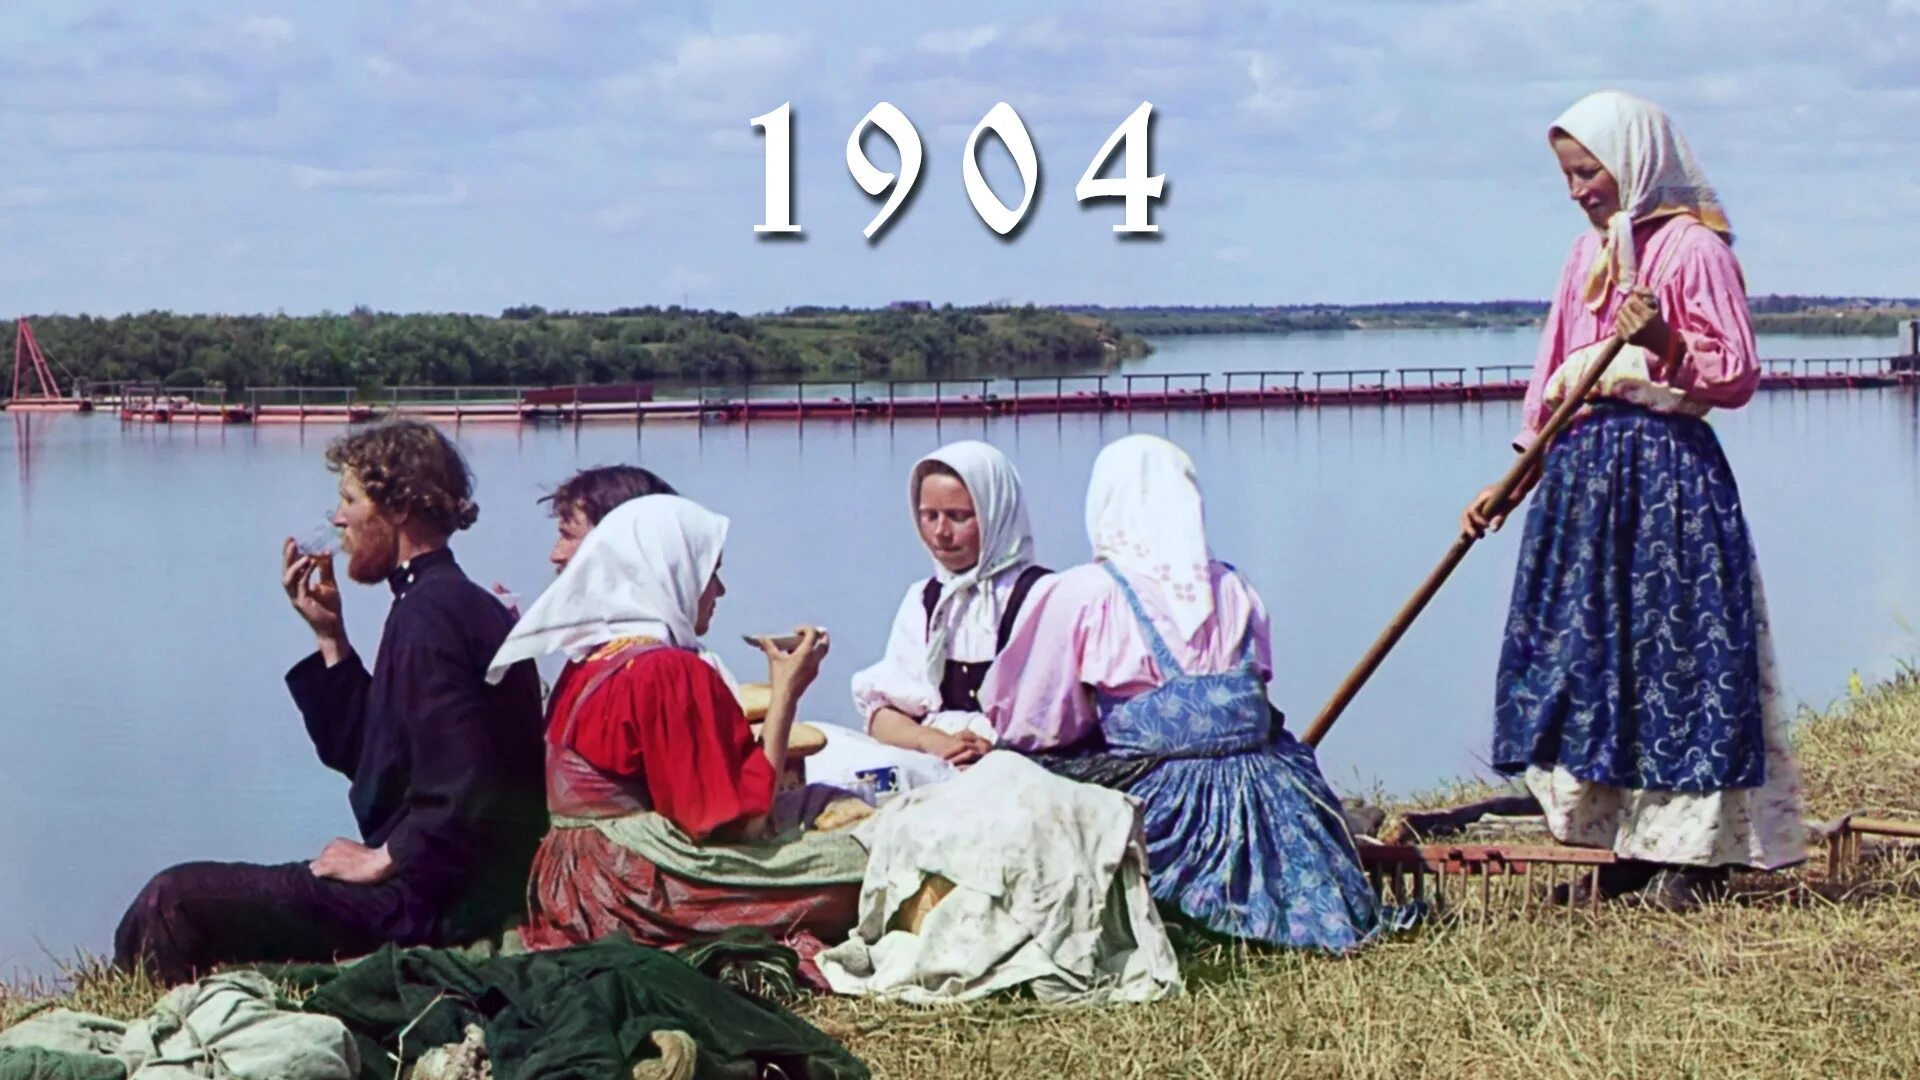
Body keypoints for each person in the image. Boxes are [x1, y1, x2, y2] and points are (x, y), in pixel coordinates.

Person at [1460, 90, 1805, 910]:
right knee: (1593, 662)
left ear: (1637, 161)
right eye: (1569, 177)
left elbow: (1736, 375)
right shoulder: (1586, 259)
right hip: (1582, 479)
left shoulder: (1693, 251)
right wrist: (1513, 479)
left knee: (1678, 659)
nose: (1579, 190)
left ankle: (1692, 853)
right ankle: (1626, 844)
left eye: (1590, 172)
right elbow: (1552, 382)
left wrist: (1663, 343)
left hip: (1665, 481)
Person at [114, 420, 546, 985]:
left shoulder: (431, 616)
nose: (337, 519)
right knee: (181, 897)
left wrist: (383, 858)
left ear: (399, 508)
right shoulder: (441, 602)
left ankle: (151, 1039)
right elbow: (383, 760)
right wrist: (330, 639)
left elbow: (466, 784)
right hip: (452, 886)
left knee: (172, 902)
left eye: (348, 500)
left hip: (437, 900)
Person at [982, 434, 1378, 951]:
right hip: (1270, 792)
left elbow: (1033, 722)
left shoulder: (1086, 593)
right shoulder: (1233, 587)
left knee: (1009, 771)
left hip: (1163, 806)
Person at [487, 496, 867, 986]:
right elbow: (743, 826)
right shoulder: (666, 671)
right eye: (711, 574)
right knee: (851, 870)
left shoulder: (589, 659)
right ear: (669, 572)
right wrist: (786, 694)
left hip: (569, 882)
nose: (720, 590)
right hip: (627, 890)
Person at [813, 442, 1047, 792]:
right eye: (929, 516)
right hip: (932, 756)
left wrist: (996, 749)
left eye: (958, 516)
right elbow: (883, 713)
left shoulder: (1039, 597)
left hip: (1010, 760)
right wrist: (930, 741)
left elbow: (1059, 716)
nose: (940, 533)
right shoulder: (925, 600)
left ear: (996, 512)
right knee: (824, 751)